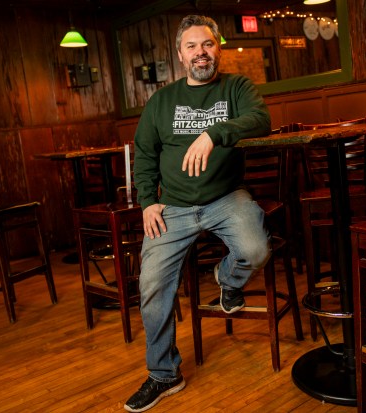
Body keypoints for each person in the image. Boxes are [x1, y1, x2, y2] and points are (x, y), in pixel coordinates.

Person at [124, 14, 273, 413]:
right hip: (171, 206)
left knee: (256, 249)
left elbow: (261, 120)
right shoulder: (161, 101)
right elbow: (145, 154)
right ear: (180, 55)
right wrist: (146, 201)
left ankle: (227, 279)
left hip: (226, 197)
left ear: (217, 48)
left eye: (207, 44)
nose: (200, 52)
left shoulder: (236, 87)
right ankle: (164, 375)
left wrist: (212, 133)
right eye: (192, 46)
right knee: (152, 283)